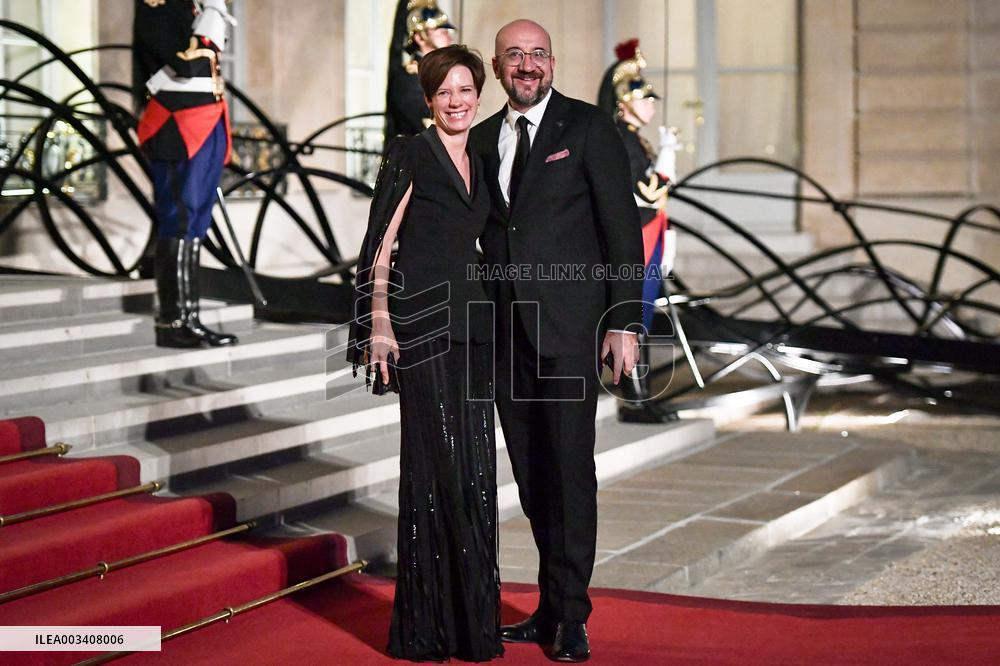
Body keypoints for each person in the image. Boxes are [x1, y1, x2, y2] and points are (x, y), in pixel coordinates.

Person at [469, 19, 644, 663]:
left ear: (552, 60)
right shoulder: (483, 139)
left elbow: (623, 233)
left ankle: (572, 616)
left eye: (537, 54)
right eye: (514, 55)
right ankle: (549, 603)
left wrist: (625, 321)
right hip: (505, 334)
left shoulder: (589, 128)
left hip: (571, 331)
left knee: (570, 470)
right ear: (496, 66)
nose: (527, 64)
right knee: (533, 472)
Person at [347, 45, 503, 662]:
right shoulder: (411, 152)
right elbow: (378, 247)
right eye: (444, 92)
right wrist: (379, 326)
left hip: (475, 327)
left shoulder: (487, 158)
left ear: (478, 94)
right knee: (435, 465)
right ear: (429, 100)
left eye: (465, 90)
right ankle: (425, 627)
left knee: (475, 472)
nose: (456, 101)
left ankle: (472, 627)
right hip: (419, 327)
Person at [133, 0, 238, 348]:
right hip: (177, 123)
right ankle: (172, 320)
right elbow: (174, 55)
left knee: (195, 221)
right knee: (179, 217)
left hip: (205, 119)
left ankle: (189, 316)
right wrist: (212, 18)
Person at [597, 38, 681, 423]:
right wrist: (667, 158)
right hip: (637, 236)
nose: (650, 104)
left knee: (641, 313)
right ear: (621, 100)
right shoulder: (622, 140)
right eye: (642, 97)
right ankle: (632, 395)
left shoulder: (633, 139)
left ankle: (638, 392)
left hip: (650, 233)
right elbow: (647, 192)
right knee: (631, 313)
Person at [384, 0, 456, 143]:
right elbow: (426, 124)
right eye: (441, 31)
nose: (448, 37)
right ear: (419, 37)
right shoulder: (407, 79)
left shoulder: (445, 72)